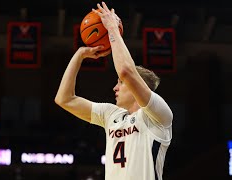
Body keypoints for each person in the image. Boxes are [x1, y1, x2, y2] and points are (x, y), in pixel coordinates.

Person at [55, 2, 173, 180]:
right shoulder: (112, 115)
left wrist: (112, 29)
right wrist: (79, 55)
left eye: (121, 83)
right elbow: (64, 99)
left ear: (136, 87)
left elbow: (126, 71)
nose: (115, 87)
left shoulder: (158, 116)